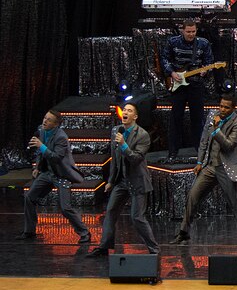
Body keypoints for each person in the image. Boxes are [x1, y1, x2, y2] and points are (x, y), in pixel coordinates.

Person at [171, 96, 237, 246]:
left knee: (236, 202)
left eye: (226, 107)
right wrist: (199, 162)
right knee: (192, 196)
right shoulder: (212, 115)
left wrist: (216, 130)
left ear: (233, 109)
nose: (222, 109)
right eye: (221, 106)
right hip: (210, 166)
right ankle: (184, 232)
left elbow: (229, 145)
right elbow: (204, 140)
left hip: (226, 167)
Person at [87, 103, 159, 257]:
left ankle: (154, 249)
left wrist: (124, 145)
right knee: (111, 211)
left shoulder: (143, 135)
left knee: (137, 217)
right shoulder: (116, 131)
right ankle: (104, 247)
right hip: (121, 181)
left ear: (135, 116)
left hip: (137, 180)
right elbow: (115, 159)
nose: (125, 112)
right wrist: (111, 181)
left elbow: (136, 159)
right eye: (124, 110)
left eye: (129, 111)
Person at [18, 109, 90, 243]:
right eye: (45, 118)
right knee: (29, 197)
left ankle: (84, 232)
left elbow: (56, 158)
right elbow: (40, 153)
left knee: (65, 208)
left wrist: (41, 146)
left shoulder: (61, 137)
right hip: (48, 173)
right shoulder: (41, 130)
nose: (45, 121)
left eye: (49, 120)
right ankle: (29, 231)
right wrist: (37, 167)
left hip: (61, 174)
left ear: (56, 124)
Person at [162, 19, 214, 158]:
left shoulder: (203, 43)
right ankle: (173, 151)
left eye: (193, 31)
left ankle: (200, 151)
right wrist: (172, 73)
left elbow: (209, 61)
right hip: (178, 84)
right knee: (175, 118)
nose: (191, 34)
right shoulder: (173, 42)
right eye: (188, 32)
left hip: (196, 84)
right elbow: (165, 59)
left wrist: (205, 70)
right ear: (182, 31)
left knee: (198, 118)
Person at [183, 0, 230, 95]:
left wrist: (226, 5)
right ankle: (192, 87)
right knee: (194, 56)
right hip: (196, 27)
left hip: (212, 26)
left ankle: (220, 88)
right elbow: (185, 2)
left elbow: (225, 3)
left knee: (217, 56)